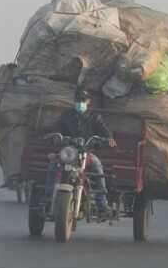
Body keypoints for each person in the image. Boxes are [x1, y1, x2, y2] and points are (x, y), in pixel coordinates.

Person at [46, 88, 117, 216]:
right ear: (73, 100)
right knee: (52, 165)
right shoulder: (66, 115)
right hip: (67, 152)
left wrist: (109, 139)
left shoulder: (95, 117)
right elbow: (57, 131)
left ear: (88, 101)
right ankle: (48, 197)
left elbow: (104, 130)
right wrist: (53, 138)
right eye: (78, 100)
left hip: (86, 152)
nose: (80, 102)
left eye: (83, 100)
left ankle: (102, 202)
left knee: (97, 165)